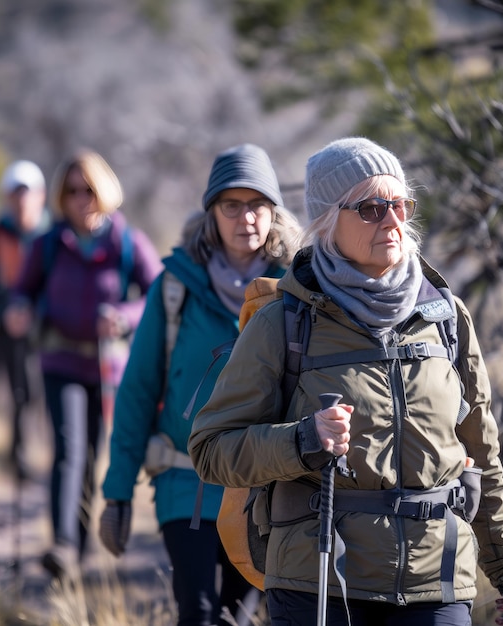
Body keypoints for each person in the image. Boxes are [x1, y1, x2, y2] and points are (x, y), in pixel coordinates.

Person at [188, 137, 503, 626]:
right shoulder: (283, 322)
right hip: (320, 587)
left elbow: (481, 454)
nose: (394, 221)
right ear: (329, 222)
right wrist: (301, 440)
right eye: (372, 208)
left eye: (400, 205)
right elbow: (211, 449)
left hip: (435, 585)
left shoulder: (445, 318)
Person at [99, 143, 302, 625]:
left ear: (273, 212)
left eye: (257, 204)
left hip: (261, 491)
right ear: (211, 213)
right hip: (182, 480)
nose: (245, 217)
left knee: (236, 614)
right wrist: (117, 491)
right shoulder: (175, 287)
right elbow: (138, 390)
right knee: (197, 610)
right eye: (231, 205)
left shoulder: (297, 291)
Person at [5, 149, 162, 580]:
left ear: (104, 190)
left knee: (92, 454)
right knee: (67, 449)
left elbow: (157, 294)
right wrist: (18, 310)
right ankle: (62, 544)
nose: (80, 199)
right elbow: (22, 290)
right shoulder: (48, 244)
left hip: (109, 369)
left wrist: (124, 317)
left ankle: (78, 546)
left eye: (88, 190)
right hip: (59, 360)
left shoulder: (128, 243)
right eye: (72, 191)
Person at [0, 159, 51, 478]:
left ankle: (42, 452)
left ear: (41, 196)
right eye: (15, 195)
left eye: (27, 194)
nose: (21, 202)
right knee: (16, 390)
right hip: (6, 326)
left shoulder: (52, 235)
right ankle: (18, 456)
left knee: (37, 390)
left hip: (44, 328)